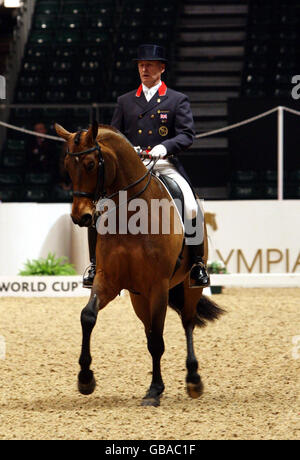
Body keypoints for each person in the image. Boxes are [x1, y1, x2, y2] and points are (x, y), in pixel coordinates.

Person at [83, 44, 209, 288]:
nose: (144, 69)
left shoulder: (176, 99)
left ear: (161, 68)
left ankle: (196, 265)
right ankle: (94, 265)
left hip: (163, 164)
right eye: (141, 65)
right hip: (131, 168)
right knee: (100, 207)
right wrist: (128, 150)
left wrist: (165, 147)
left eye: (149, 65)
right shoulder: (126, 100)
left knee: (192, 206)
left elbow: (187, 134)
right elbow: (113, 135)